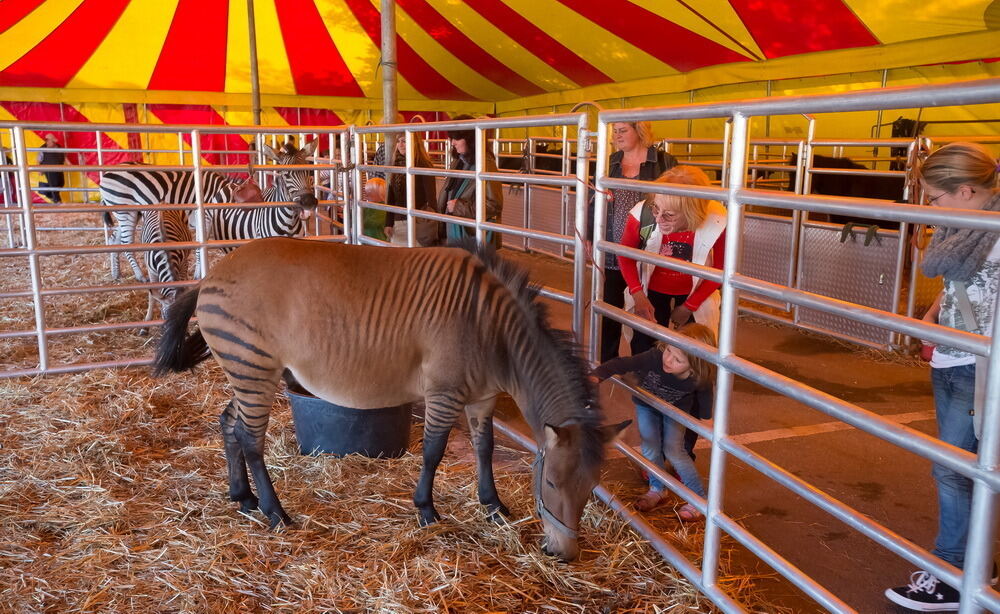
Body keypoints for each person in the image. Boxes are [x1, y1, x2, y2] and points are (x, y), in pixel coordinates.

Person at [885, 143, 1000, 612]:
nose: (931, 210)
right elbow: (957, 286)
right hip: (954, 358)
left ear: (967, 190)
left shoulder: (991, 235)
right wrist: (930, 316)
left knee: (954, 471)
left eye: (935, 198)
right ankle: (975, 564)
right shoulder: (963, 229)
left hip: (978, 366)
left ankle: (954, 573)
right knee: (961, 468)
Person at [592, 322, 716, 517]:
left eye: (677, 360)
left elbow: (706, 393)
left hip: (675, 411)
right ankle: (657, 489)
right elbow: (622, 363)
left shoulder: (698, 377)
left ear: (695, 366)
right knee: (649, 445)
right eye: (668, 350)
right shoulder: (654, 357)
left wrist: (707, 419)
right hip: (646, 405)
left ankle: (697, 498)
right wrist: (597, 376)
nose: (668, 359)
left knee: (674, 450)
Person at [590, 121, 677, 362]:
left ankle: (646, 363)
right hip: (611, 247)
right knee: (610, 308)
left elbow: (677, 198)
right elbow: (592, 200)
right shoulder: (610, 162)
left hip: (647, 248)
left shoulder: (663, 162)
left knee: (649, 310)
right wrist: (590, 234)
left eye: (623, 130)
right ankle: (608, 363)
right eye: (614, 131)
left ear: (639, 131)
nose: (617, 135)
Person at [618, 165, 726, 356]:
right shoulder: (641, 214)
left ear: (692, 211)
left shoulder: (717, 221)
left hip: (697, 290)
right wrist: (638, 294)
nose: (659, 219)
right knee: (644, 345)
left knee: (693, 353)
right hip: (650, 288)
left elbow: (720, 269)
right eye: (656, 208)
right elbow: (624, 255)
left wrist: (689, 307)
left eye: (669, 214)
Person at [437, 115, 504, 248]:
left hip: (470, 235)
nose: (453, 143)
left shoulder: (486, 164)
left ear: (470, 139)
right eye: (452, 138)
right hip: (455, 231)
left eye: (457, 138)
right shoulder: (458, 161)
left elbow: (494, 205)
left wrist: (459, 207)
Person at [384, 131, 441, 247]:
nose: (400, 144)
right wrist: (388, 223)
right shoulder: (395, 165)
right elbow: (391, 197)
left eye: (404, 141)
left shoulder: (423, 165)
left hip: (416, 223)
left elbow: (431, 198)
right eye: (398, 141)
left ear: (414, 143)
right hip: (398, 223)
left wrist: (430, 226)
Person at [38, 134, 66, 204]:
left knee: (61, 183)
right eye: (47, 141)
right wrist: (40, 169)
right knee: (54, 184)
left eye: (49, 141)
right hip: (48, 169)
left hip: (59, 168)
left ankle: (47, 193)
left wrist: (70, 165)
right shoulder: (42, 148)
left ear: (53, 142)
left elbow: (64, 157)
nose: (48, 142)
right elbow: (39, 160)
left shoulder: (59, 147)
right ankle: (58, 201)